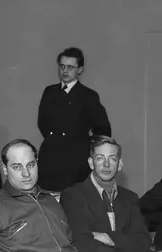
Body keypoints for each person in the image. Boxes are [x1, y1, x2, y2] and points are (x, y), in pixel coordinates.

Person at [59, 136, 152, 252]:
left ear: (119, 165)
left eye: (112, 159)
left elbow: (144, 242)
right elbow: (83, 245)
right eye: (100, 158)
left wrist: (110, 238)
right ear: (91, 163)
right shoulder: (73, 196)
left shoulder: (130, 198)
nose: (106, 164)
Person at [37, 47, 112, 193]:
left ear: (80, 70)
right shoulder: (50, 92)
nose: (65, 71)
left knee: (72, 200)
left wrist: (83, 147)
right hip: (49, 157)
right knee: (47, 199)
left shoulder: (88, 96)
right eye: (62, 66)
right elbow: (42, 123)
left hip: (75, 161)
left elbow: (103, 129)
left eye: (70, 67)